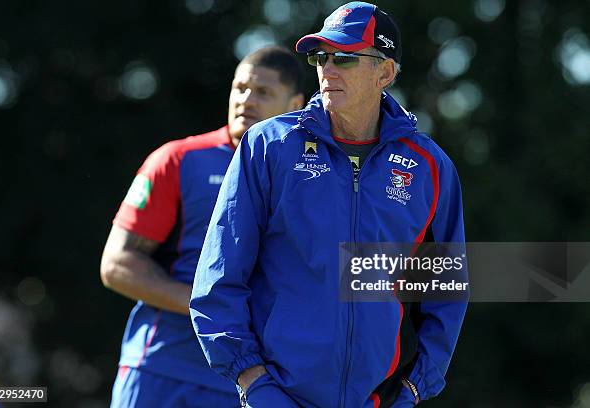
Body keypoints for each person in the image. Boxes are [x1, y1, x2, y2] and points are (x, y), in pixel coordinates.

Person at [190, 2, 468, 407]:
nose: (327, 69)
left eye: (345, 58)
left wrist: (413, 389)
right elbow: (219, 278)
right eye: (321, 57)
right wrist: (254, 382)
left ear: (385, 73)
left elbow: (444, 291)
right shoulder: (269, 146)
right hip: (275, 396)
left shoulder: (430, 168)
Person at [100, 46, 305, 408]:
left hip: (252, 384)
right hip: (162, 371)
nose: (246, 100)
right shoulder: (179, 159)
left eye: (263, 92)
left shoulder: (314, 179)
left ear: (295, 104)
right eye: (239, 88)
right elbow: (116, 266)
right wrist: (210, 306)